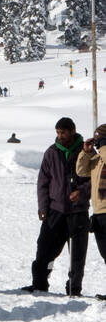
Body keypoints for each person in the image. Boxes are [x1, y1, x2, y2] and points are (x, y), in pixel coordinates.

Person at [23, 117, 91, 295]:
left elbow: (95, 180)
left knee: (77, 255)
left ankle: (74, 288)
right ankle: (39, 284)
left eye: (63, 133)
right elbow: (43, 182)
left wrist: (82, 192)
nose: (60, 136)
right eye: (58, 133)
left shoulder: (86, 152)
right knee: (45, 249)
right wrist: (43, 206)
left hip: (78, 211)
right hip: (55, 210)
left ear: (73, 131)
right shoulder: (51, 153)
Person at [75, 125, 106, 296]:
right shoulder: (98, 157)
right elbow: (81, 170)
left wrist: (103, 146)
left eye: (100, 139)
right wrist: (86, 152)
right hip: (99, 211)